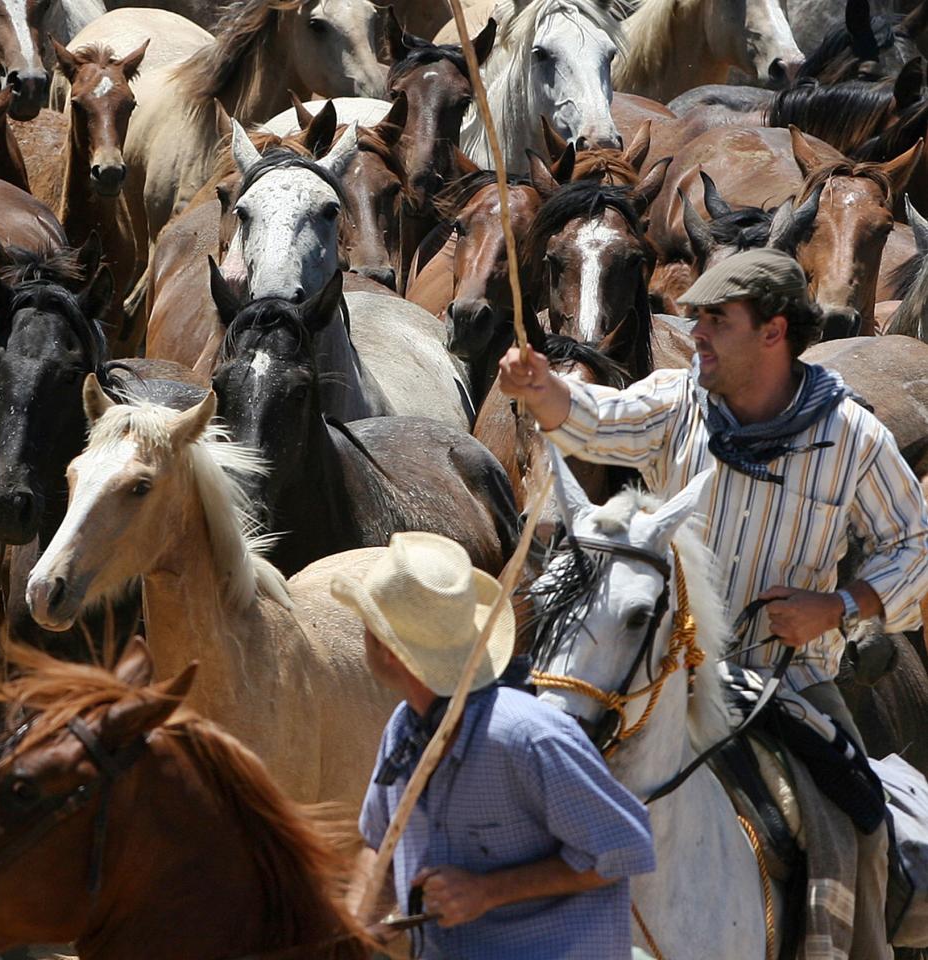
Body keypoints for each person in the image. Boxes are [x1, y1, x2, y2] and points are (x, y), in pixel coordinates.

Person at [497, 246, 928, 958]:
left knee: (858, 818)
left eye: (715, 320)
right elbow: (598, 417)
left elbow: (916, 546)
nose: (693, 333)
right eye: (693, 318)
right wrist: (540, 387)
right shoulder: (679, 403)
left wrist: (838, 606)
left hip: (788, 684)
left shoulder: (852, 439)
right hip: (661, 670)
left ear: (774, 331)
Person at [334, 532, 655, 960]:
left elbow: (626, 847)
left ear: (385, 650)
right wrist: (355, 923)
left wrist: (486, 891)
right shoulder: (403, 728)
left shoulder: (530, 738)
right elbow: (379, 846)